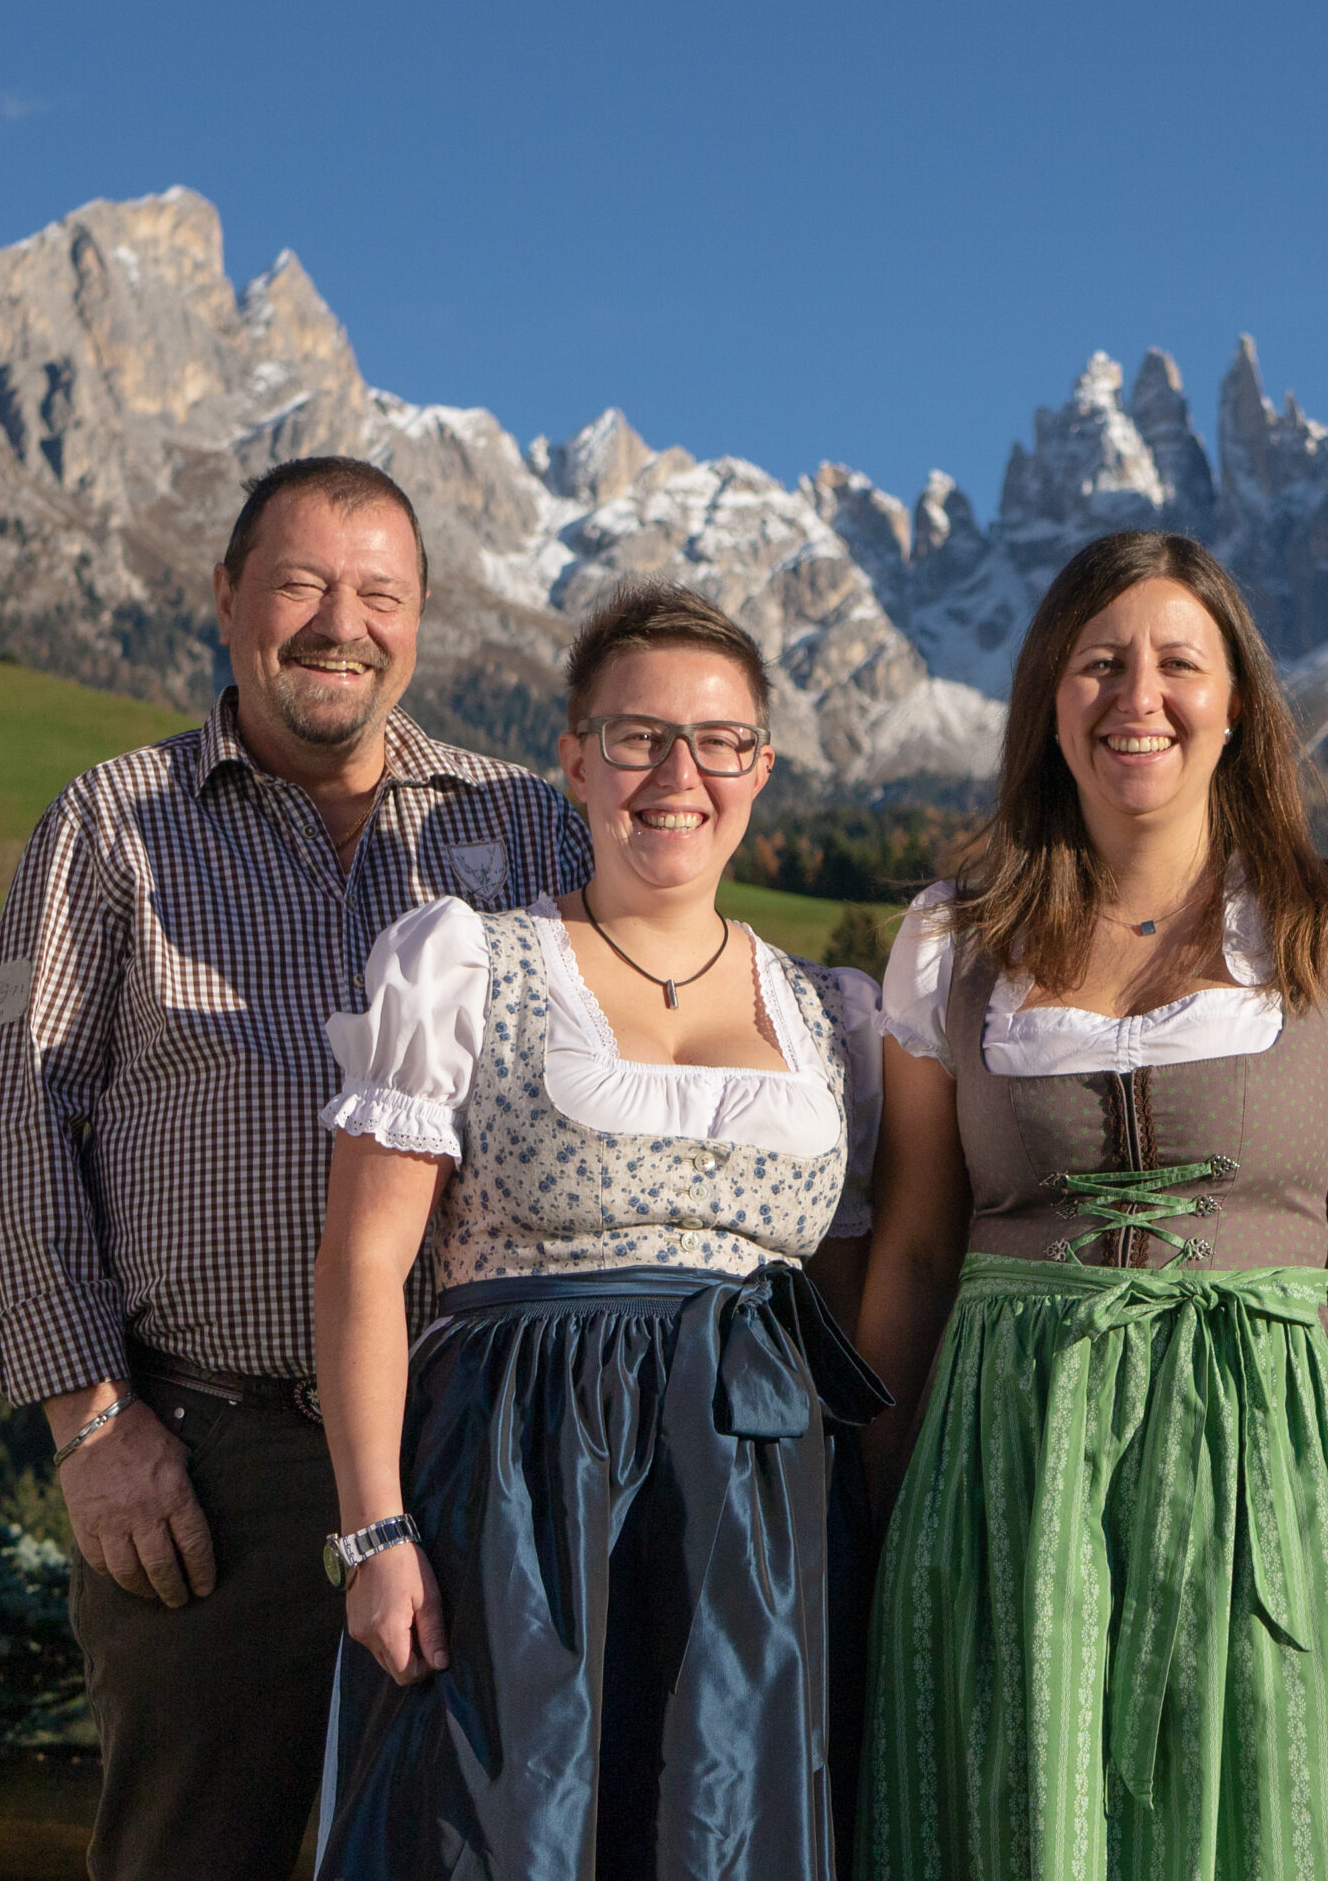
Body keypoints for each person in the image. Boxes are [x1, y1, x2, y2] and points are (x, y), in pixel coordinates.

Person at [0, 456, 592, 1881]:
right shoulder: (112, 822)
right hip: (210, 1472)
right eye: (300, 584)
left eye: (380, 594)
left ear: (421, 618)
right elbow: (7, 1127)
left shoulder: (531, 827)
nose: (340, 625)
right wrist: (92, 1426)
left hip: (476, 1457)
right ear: (227, 595)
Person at [856, 530, 1328, 1881]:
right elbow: (914, 1250)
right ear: (1047, 699)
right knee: (1021, 1820)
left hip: (1274, 1447)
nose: (1139, 696)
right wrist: (875, 1503)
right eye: (1099, 664)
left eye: (1178, 663)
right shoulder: (952, 941)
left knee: (1282, 1814)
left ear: (1236, 702)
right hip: (1012, 1454)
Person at [309, 581, 888, 1880]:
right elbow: (362, 1264)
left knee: (722, 1833)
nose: (678, 774)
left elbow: (845, 1306)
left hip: (755, 1505)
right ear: (576, 760)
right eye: (638, 737)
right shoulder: (467, 964)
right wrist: (376, 1531)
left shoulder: (833, 1018)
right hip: (518, 1485)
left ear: (761, 769)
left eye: (718, 740)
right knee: (498, 1830)